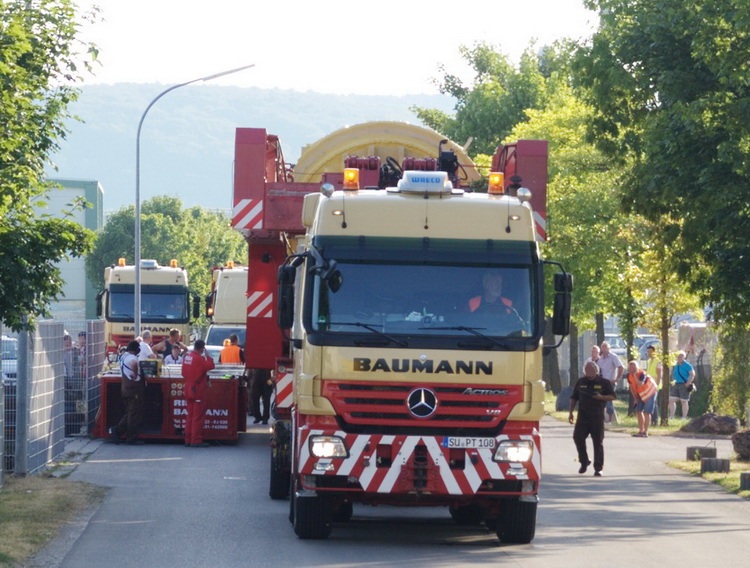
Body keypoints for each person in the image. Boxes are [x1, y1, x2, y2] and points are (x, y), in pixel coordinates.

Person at [569, 361, 617, 476]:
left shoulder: (604, 382)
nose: (589, 372)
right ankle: (584, 461)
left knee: (598, 442)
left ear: (596, 370)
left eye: (591, 369)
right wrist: (570, 412)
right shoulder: (581, 382)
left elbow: (613, 396)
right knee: (578, 438)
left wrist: (601, 397)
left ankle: (598, 468)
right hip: (583, 417)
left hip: (597, 417)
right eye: (587, 369)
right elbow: (574, 397)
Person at [109, 340, 146, 445]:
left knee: (129, 412)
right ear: (136, 349)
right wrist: (135, 373)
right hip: (134, 390)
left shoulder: (124, 356)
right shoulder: (133, 358)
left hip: (125, 388)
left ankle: (117, 430)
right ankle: (130, 438)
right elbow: (134, 364)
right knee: (134, 414)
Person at [181, 339, 216, 447]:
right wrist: (208, 356)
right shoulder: (199, 359)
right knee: (198, 416)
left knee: (190, 415)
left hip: (188, 388)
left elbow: (183, 373)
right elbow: (211, 365)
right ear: (202, 348)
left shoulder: (187, 357)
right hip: (198, 390)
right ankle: (196, 440)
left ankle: (188, 439)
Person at [626, 360, 658, 437]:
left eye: (633, 368)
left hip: (650, 392)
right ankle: (641, 431)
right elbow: (631, 387)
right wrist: (635, 398)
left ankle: (645, 432)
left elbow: (640, 384)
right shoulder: (628, 376)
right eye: (630, 368)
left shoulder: (642, 374)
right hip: (641, 394)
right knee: (638, 411)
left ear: (637, 368)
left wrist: (634, 375)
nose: (631, 369)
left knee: (647, 412)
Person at [598, 341, 623, 424]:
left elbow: (621, 367)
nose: (604, 349)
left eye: (605, 347)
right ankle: (602, 419)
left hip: (610, 382)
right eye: (602, 347)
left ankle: (610, 419)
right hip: (602, 383)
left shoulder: (613, 357)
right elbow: (598, 370)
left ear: (609, 348)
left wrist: (617, 378)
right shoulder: (601, 358)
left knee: (608, 400)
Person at [669, 350, 695, 420]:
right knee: (671, 400)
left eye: (681, 356)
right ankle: (671, 416)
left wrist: (688, 383)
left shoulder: (687, 365)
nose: (679, 358)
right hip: (676, 384)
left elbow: (692, 374)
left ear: (684, 357)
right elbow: (673, 374)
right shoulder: (675, 365)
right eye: (678, 356)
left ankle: (684, 417)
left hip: (684, 384)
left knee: (684, 401)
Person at [645, 344, 663, 425]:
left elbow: (659, 374)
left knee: (653, 402)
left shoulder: (658, 361)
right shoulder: (648, 361)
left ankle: (654, 420)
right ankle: (652, 420)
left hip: (655, 384)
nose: (649, 353)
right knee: (651, 402)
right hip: (649, 384)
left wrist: (657, 385)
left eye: (650, 352)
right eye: (648, 351)